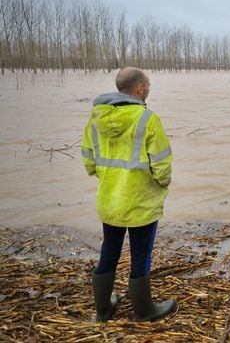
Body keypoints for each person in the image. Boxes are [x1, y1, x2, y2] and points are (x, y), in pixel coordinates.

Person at [81, 67, 175, 322]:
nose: (149, 90)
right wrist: (162, 184)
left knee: (109, 250)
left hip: (110, 200)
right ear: (140, 88)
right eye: (149, 86)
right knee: (140, 255)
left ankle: (102, 309)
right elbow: (163, 166)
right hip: (141, 202)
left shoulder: (95, 118)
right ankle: (144, 311)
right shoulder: (147, 119)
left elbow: (89, 161)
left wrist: (109, 180)